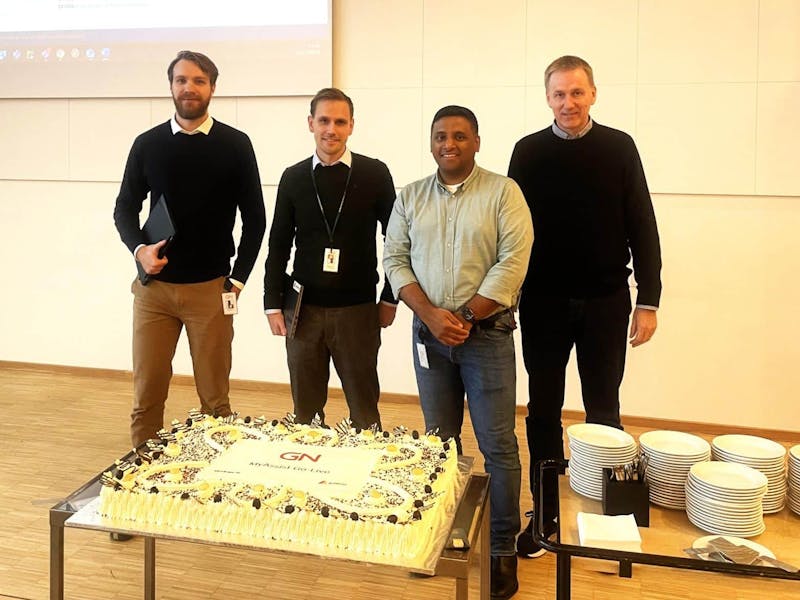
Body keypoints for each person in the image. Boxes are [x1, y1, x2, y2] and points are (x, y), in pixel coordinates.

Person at [507, 55, 662, 558]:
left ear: (593, 93)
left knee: (603, 410)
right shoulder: (527, 152)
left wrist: (649, 299)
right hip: (543, 302)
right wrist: (507, 295)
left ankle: (607, 519)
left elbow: (642, 224)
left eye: (577, 92)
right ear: (547, 98)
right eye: (559, 94)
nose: (568, 102)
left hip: (606, 302)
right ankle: (546, 515)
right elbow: (510, 231)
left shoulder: (619, 147)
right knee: (543, 410)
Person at [384, 105, 533, 600]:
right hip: (428, 336)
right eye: (441, 136)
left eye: (460, 136)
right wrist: (430, 315)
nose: (449, 144)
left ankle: (500, 548)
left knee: (498, 445)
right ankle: (441, 537)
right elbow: (395, 260)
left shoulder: (504, 193)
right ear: (431, 142)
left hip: (486, 336)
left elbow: (513, 261)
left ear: (476, 142)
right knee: (439, 444)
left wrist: (465, 316)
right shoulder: (409, 196)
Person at [113, 50, 266, 449]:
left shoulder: (236, 145)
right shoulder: (148, 144)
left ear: (212, 87)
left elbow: (255, 219)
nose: (189, 88)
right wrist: (139, 250)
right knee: (147, 395)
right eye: (181, 80)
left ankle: (217, 470)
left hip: (210, 292)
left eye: (198, 80)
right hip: (154, 292)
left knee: (215, 401)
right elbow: (124, 208)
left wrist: (237, 281)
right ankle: (143, 468)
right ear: (171, 86)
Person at [263, 88, 397, 429]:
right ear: (311, 123)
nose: (331, 130)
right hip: (303, 311)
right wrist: (272, 303)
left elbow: (397, 241)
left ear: (351, 125)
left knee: (365, 414)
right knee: (305, 415)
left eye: (340, 122)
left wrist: (390, 297)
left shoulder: (374, 174)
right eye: (324, 121)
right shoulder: (293, 177)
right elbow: (278, 243)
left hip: (358, 311)